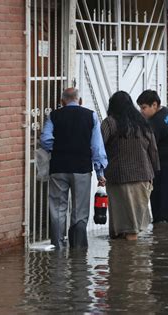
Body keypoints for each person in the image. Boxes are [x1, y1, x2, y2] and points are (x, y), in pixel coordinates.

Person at [40, 88, 107, 249]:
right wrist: (100, 172)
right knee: (80, 211)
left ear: (62, 102)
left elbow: (45, 140)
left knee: (57, 209)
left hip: (58, 167)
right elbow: (97, 147)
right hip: (82, 169)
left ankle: (58, 247)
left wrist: (58, 149)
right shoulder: (90, 116)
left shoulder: (54, 116)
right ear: (80, 101)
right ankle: (78, 250)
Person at [101, 91, 160, 241]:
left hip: (118, 178)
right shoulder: (142, 123)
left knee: (120, 226)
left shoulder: (109, 123)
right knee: (133, 228)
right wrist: (153, 174)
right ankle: (134, 261)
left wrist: (99, 171)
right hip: (143, 178)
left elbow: (99, 147)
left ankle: (122, 260)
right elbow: (153, 151)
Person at [136, 90, 168, 223]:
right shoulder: (166, 112)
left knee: (160, 205)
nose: (141, 111)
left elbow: (146, 146)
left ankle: (160, 238)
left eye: (144, 108)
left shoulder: (156, 122)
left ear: (154, 105)